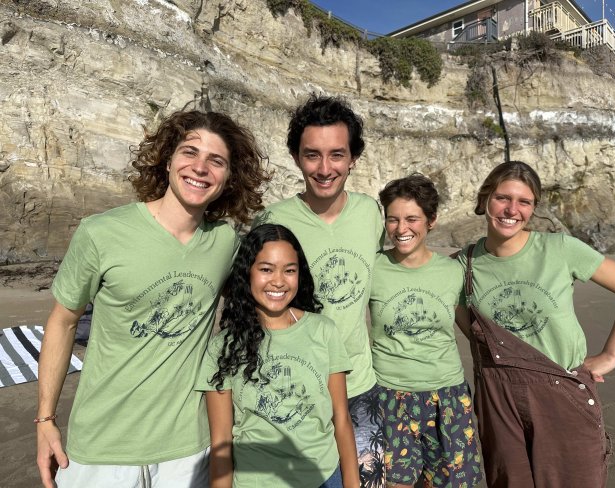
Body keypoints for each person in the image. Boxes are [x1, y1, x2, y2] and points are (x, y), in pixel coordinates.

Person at [36, 110, 270, 488]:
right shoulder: (101, 233)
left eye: (216, 161)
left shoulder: (225, 243)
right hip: (100, 447)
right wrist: (45, 420)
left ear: (229, 177)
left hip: (187, 449)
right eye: (189, 152)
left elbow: (264, 301)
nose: (200, 168)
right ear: (167, 160)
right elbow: (62, 321)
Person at [455, 160, 615, 488]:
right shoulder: (464, 263)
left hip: (562, 393)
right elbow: (465, 321)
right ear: (485, 198)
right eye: (503, 197)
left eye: (524, 202)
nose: (511, 209)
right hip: (497, 400)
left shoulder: (559, 248)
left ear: (533, 208)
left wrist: (610, 356)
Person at [253, 94, 385, 486]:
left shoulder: (370, 213)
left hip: (360, 388)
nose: (325, 168)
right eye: (312, 155)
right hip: (296, 393)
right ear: (296, 158)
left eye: (337, 155)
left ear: (353, 158)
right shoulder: (274, 221)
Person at [195, 223, 359, 487]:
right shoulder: (223, 348)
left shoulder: (323, 330)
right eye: (266, 269)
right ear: (246, 273)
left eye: (289, 270)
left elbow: (341, 417)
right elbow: (221, 443)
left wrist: (352, 482)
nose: (279, 281)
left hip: (324, 478)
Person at [369, 174, 482, 488]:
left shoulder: (452, 272)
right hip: (389, 396)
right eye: (393, 219)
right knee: (396, 483)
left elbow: (473, 329)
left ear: (431, 221)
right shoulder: (372, 268)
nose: (401, 229)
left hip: (448, 397)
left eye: (411, 219)